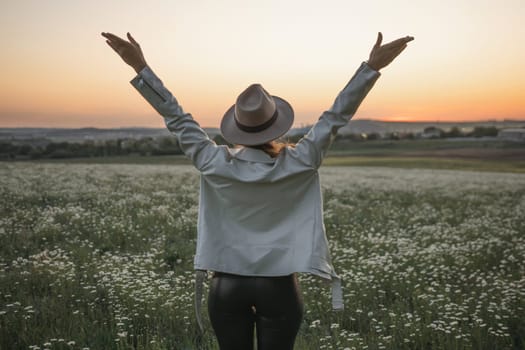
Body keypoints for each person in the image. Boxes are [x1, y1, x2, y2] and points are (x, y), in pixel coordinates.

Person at [101, 30, 413, 350]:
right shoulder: (301, 161)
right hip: (279, 288)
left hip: (226, 286)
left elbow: (177, 118)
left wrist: (141, 68)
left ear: (236, 128)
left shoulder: (213, 162)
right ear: (277, 124)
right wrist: (371, 68)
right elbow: (335, 117)